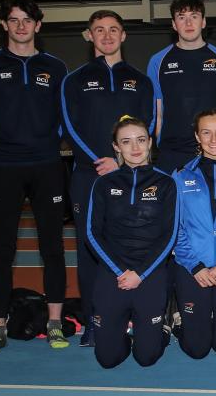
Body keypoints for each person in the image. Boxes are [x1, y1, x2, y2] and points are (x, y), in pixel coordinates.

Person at [0, 0, 70, 355]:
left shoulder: (55, 66)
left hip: (46, 165)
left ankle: (55, 323)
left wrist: (52, 145)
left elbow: (64, 113)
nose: (21, 26)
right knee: (2, 251)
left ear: (38, 25)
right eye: (14, 20)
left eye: (27, 20)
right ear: (4, 25)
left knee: (53, 248)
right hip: (3, 167)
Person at [61, 9, 156, 348]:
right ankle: (92, 320)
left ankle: (133, 318)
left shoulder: (141, 80)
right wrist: (99, 162)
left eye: (113, 29)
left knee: (132, 245)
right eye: (99, 30)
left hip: (133, 178)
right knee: (90, 250)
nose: (107, 35)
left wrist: (123, 163)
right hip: (89, 178)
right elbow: (68, 126)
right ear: (90, 35)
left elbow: (149, 126)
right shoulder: (74, 80)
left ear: (123, 35)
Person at [85, 116, 177, 368]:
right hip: (113, 273)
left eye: (140, 140)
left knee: (147, 358)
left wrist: (140, 273)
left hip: (149, 272)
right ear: (116, 147)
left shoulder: (166, 183)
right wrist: (120, 271)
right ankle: (121, 333)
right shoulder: (103, 183)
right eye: (126, 142)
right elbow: (92, 233)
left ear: (150, 142)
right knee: (107, 359)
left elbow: (169, 235)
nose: (135, 148)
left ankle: (161, 330)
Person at [171, 109, 216, 359]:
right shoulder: (180, 176)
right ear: (197, 136)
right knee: (197, 350)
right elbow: (175, 228)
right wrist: (195, 266)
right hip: (193, 268)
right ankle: (180, 320)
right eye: (206, 133)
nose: (214, 140)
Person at [147, 0, 216, 172]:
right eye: (182, 18)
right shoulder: (158, 62)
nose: (188, 23)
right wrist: (159, 140)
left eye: (194, 16)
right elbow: (156, 111)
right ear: (174, 25)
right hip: (172, 154)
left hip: (213, 151)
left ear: (203, 22)